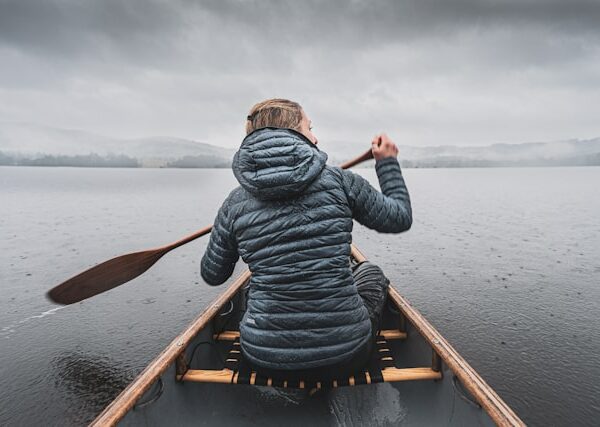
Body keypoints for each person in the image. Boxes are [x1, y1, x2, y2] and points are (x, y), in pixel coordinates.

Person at [201, 98, 412, 382]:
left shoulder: (234, 203)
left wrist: (226, 226)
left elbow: (213, 275)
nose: (316, 137)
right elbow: (399, 216)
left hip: (263, 358)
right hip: (347, 354)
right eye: (310, 128)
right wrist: (387, 163)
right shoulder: (339, 181)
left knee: (253, 284)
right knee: (371, 272)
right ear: (296, 134)